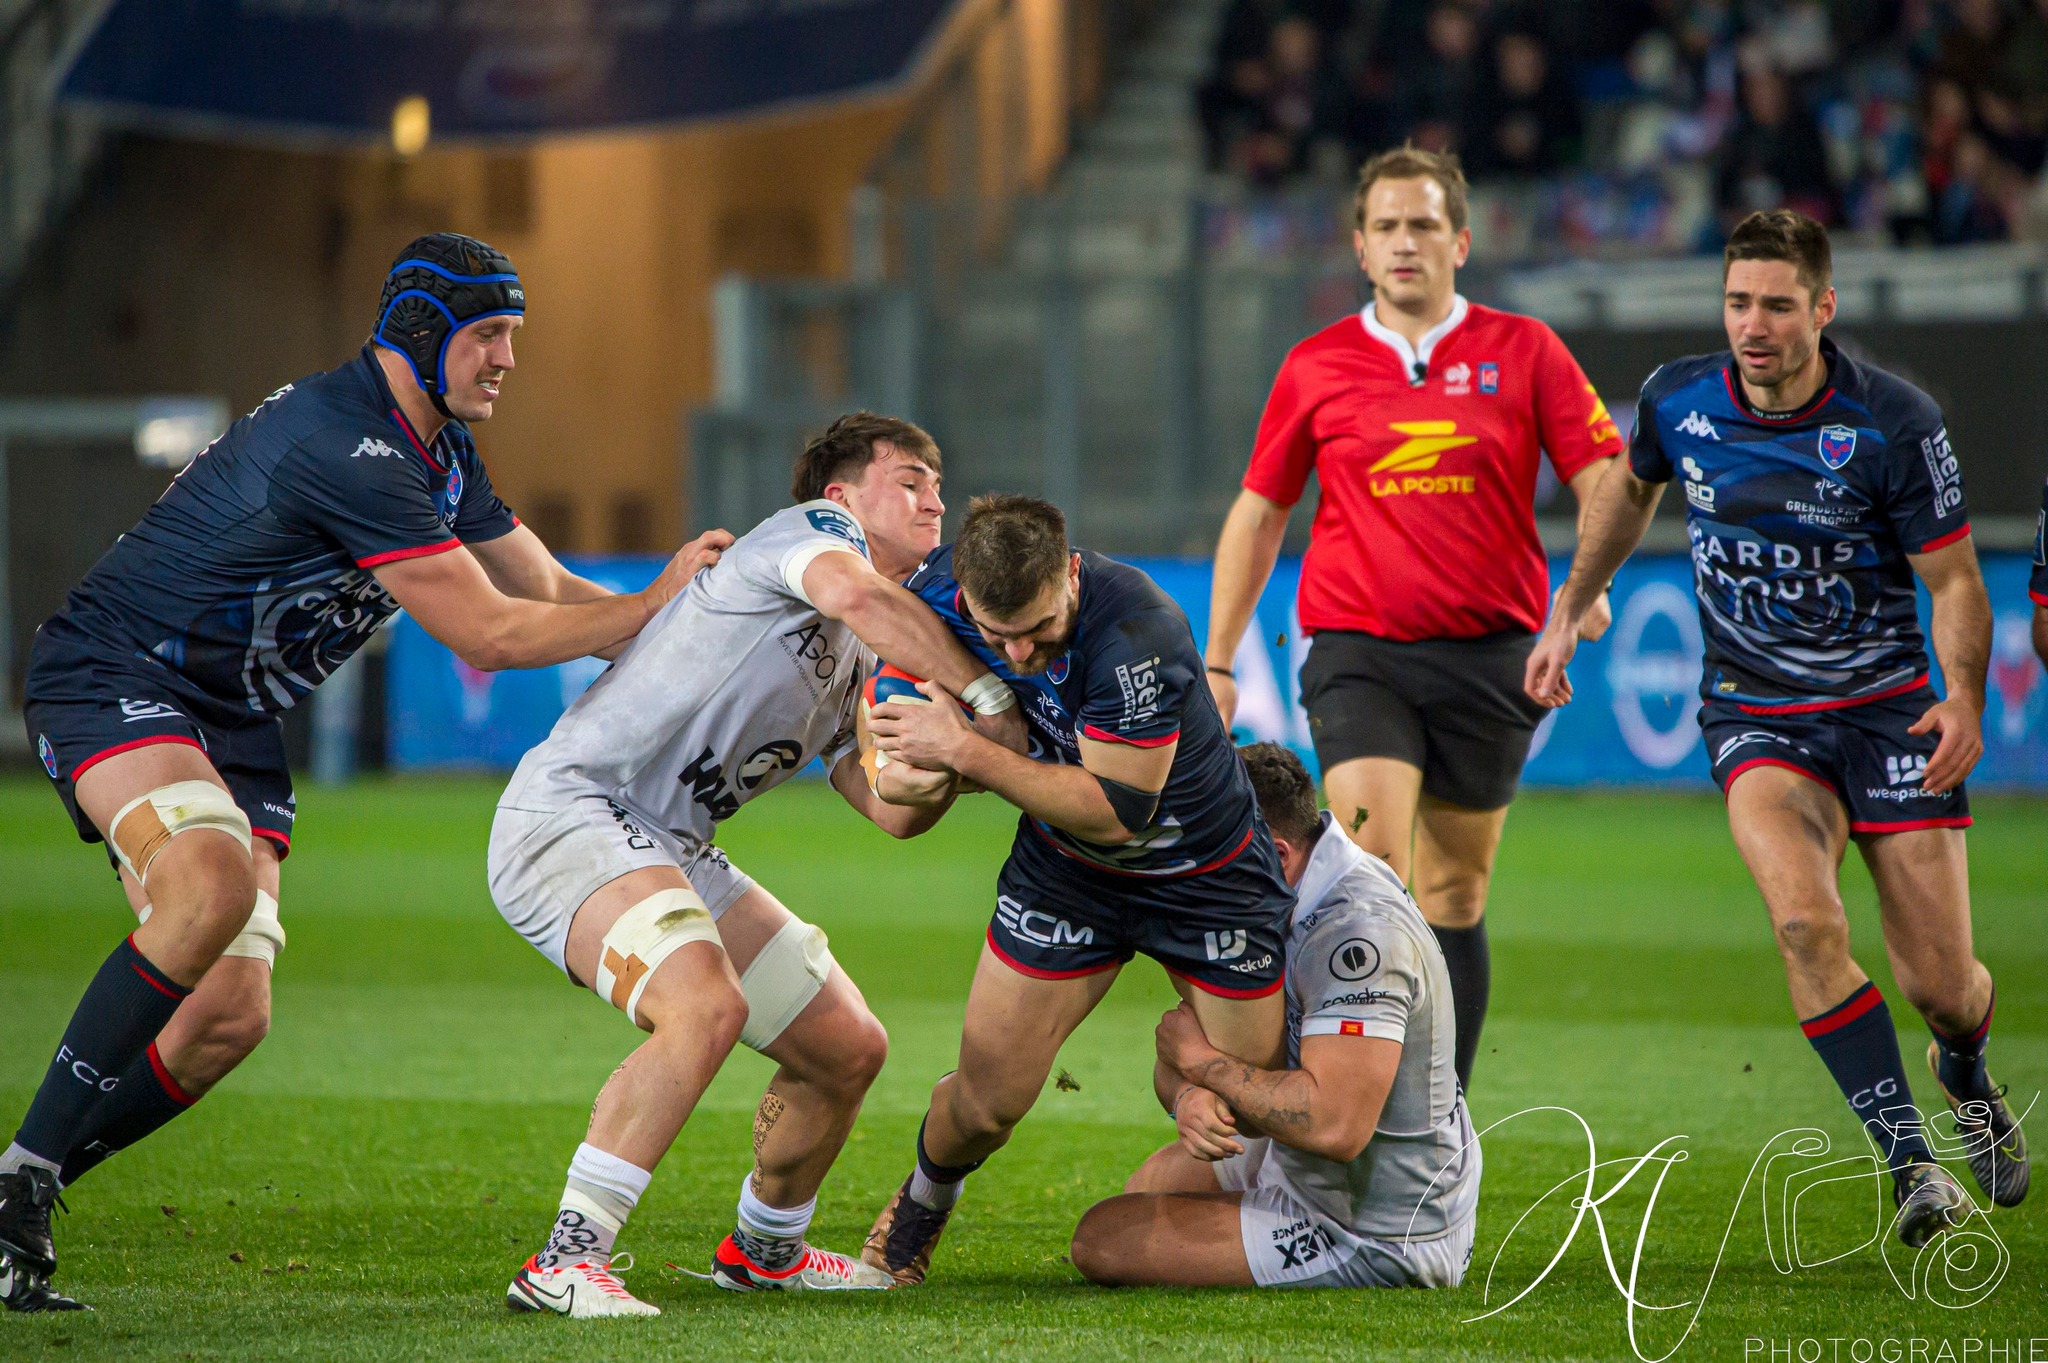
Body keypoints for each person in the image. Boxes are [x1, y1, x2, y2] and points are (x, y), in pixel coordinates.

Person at [0, 233, 731, 1314]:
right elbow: (488, 631)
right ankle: (20, 1180)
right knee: (209, 886)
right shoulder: (351, 446)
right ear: (423, 335)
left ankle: (28, 1181)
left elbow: (546, 585)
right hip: (119, 674)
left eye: (512, 335)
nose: (507, 359)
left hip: (231, 717)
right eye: (489, 335)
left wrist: (705, 628)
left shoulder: (438, 447)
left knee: (228, 1016)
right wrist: (653, 601)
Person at [1526, 208, 2028, 1247]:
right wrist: (1570, 605)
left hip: (1889, 713)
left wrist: (1964, 696)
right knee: (1803, 924)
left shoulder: (1893, 421)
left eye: (1777, 305)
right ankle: (1911, 1164)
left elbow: (1952, 580)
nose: (1753, 325)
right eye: (1737, 302)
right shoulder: (1678, 399)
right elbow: (1629, 490)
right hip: (1754, 712)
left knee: (1941, 985)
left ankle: (1965, 1068)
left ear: (1823, 307)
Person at [488, 414, 1025, 1316]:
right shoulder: (811, 536)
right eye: (910, 479)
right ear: (842, 495)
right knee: (704, 1005)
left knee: (847, 1047)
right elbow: (855, 593)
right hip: (574, 810)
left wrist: (958, 758)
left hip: (673, 843)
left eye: (938, 482)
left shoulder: (869, 648)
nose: (935, 499)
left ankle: (764, 1250)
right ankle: (564, 1262)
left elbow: (888, 808)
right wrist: (986, 694)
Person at [1204, 144, 1622, 1094]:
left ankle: (1440, 1118)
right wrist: (1220, 657)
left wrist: (1586, 583)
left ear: (1460, 241)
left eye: (1423, 224)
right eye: (1386, 226)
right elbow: (1260, 512)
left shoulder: (1526, 350)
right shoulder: (1317, 364)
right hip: (1360, 653)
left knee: (1456, 891)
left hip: (1496, 657)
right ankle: (1342, 1099)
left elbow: (1606, 477)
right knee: (1372, 869)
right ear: (1359, 247)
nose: (1405, 242)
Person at [857, 494, 1295, 1285]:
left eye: (1038, 628)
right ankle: (924, 1200)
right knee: (985, 1102)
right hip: (1066, 873)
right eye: (998, 635)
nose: (1019, 651)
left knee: (1251, 1097)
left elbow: (1117, 812)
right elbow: (881, 702)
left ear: (1070, 574)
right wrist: (894, 763)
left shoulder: (1137, 632)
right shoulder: (933, 596)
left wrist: (965, 750)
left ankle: (1256, 1203)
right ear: (965, 593)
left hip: (1206, 879)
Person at [1069, 742, 1479, 1289]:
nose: (1199, 876)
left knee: (1103, 1238)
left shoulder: (1358, 936)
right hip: (1298, 1164)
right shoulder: (1267, 896)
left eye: (1216, 854)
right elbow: (1181, 1052)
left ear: (1277, 853)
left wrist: (1203, 1067)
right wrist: (1189, 1095)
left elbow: (1335, 1125)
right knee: (1148, 1187)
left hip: (1378, 1226)